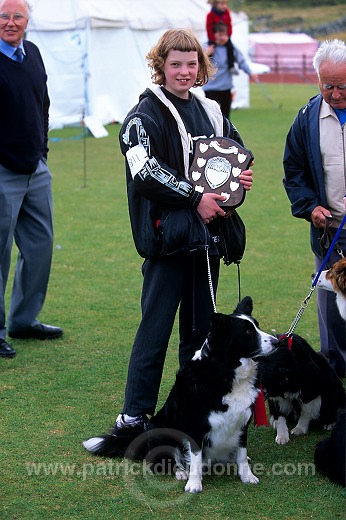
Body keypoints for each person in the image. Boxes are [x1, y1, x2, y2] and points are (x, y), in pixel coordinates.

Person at [85, 28, 253, 442]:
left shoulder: (210, 111)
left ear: (201, 67)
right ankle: (134, 415)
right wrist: (196, 197)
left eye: (191, 64)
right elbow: (145, 173)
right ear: (160, 66)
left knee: (199, 334)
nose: (183, 71)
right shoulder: (141, 117)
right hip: (166, 242)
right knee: (155, 331)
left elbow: (235, 152)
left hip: (207, 238)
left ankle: (192, 409)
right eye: (175, 64)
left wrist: (239, 179)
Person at [0, 0, 63, 358]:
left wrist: (42, 151)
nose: (11, 22)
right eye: (4, 16)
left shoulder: (33, 53)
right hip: (2, 171)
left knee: (39, 247)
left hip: (35, 168)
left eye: (17, 16)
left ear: (27, 21)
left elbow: (43, 104)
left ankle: (23, 320)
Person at [283, 39, 346, 378]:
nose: (335, 94)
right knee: (331, 307)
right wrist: (310, 207)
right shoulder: (307, 117)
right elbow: (293, 171)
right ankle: (334, 375)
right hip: (330, 232)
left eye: (342, 86)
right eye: (328, 86)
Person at [203, 22, 258, 118]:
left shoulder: (231, 49)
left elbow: (241, 62)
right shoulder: (207, 47)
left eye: (225, 35)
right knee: (211, 116)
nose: (223, 38)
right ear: (214, 35)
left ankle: (225, 133)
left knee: (225, 116)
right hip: (211, 88)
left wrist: (250, 72)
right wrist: (206, 54)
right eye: (220, 35)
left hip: (225, 87)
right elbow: (197, 62)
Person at [206, 0, 234, 71]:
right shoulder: (210, 15)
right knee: (210, 50)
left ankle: (231, 66)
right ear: (215, 4)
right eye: (222, 4)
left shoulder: (226, 13)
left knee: (230, 48)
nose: (224, 6)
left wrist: (228, 36)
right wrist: (213, 39)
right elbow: (209, 28)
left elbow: (229, 25)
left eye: (225, 4)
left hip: (226, 37)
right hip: (214, 38)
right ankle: (208, 66)